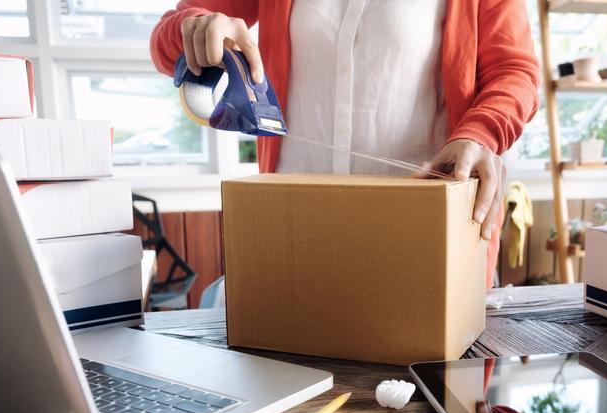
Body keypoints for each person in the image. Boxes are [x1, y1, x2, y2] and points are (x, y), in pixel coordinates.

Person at [150, 0, 541, 287]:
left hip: (429, 244)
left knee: (438, 397)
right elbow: (168, 37)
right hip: (293, 239)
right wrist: (196, 28)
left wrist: (481, 132)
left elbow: (516, 71)